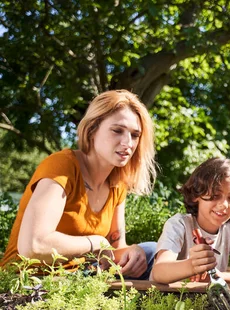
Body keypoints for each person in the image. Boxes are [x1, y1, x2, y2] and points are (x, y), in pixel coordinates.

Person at [1, 90, 157, 279]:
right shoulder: (62, 166)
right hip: (28, 281)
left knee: (151, 251)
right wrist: (96, 243)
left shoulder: (118, 182)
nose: (128, 143)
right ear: (92, 130)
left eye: (135, 135)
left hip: (81, 279)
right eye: (117, 131)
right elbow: (33, 246)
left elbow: (114, 249)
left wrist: (132, 253)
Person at [151, 157, 230, 284]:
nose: (224, 204)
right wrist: (192, 266)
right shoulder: (178, 224)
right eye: (215, 195)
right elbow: (159, 272)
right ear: (196, 195)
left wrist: (219, 277)